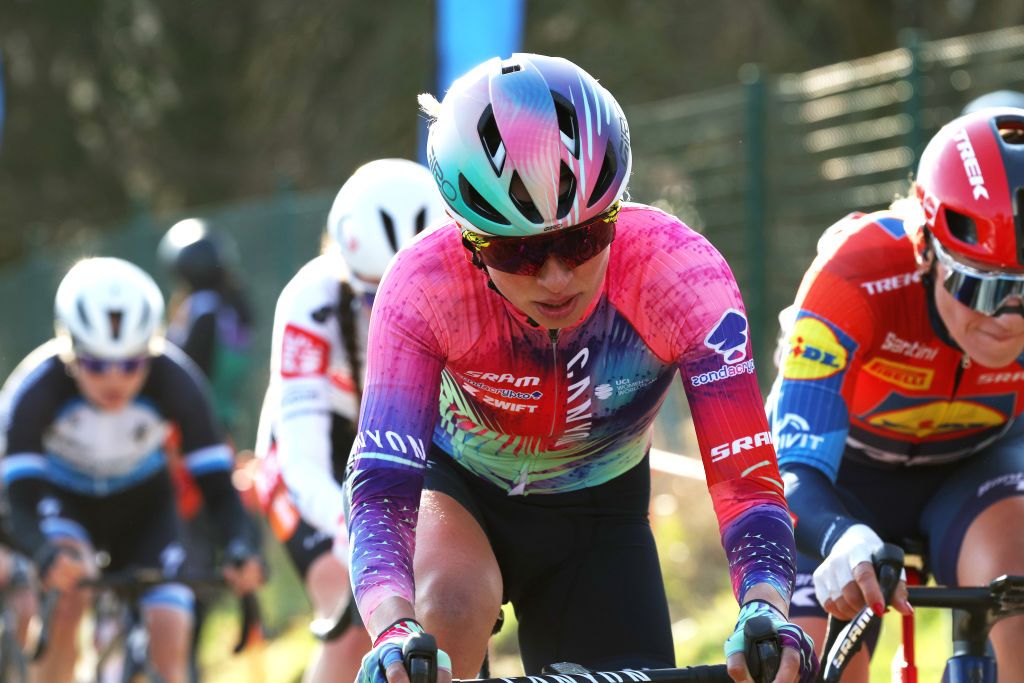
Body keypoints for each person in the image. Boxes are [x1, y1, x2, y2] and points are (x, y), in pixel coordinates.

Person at [344, 53, 817, 683]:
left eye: (583, 238)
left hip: (599, 511)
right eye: (519, 252)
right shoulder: (422, 288)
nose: (558, 277)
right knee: (445, 620)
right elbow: (381, 481)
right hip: (460, 488)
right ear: (468, 238)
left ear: (616, 210)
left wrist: (764, 604)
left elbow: (745, 476)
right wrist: (393, 626)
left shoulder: (681, 277)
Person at [769, 107, 1024, 680]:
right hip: (839, 482)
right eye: (982, 286)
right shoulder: (855, 274)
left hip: (977, 472)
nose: (1009, 319)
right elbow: (789, 468)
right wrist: (840, 535)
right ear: (927, 248)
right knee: (801, 668)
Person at [1, 257, 264, 683]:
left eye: (131, 364)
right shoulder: (35, 389)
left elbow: (216, 481)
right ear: (69, 350)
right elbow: (20, 493)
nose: (115, 380)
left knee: (170, 629)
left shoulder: (176, 378)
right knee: (67, 592)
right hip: (63, 501)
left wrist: (239, 544)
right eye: (96, 365)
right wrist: (42, 551)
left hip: (144, 505)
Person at [253, 158, 445, 683]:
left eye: (409, 292)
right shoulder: (308, 301)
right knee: (352, 611)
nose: (389, 313)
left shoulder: (466, 294)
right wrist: (354, 537)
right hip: (315, 451)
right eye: (372, 297)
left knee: (435, 604)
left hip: (402, 441)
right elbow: (303, 462)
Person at [158, 218, 256, 681]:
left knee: (182, 548)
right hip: (223, 440)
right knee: (210, 546)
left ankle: (181, 661)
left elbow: (176, 379)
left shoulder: (198, 311)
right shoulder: (235, 310)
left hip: (184, 447)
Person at [158, 218, 254, 439]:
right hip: (223, 423)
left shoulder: (202, 308)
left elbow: (188, 364)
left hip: (193, 426)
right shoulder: (233, 306)